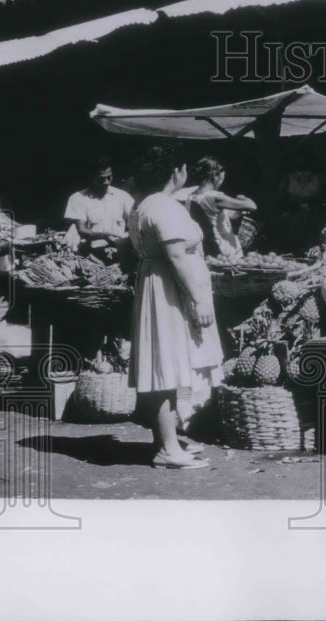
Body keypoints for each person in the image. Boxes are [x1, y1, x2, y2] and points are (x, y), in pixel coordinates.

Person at [127, 145, 223, 470]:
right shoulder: (163, 207)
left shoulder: (144, 205)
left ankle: (165, 442)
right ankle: (168, 449)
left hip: (157, 284)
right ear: (175, 173)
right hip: (167, 289)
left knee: (162, 365)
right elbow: (177, 256)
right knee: (164, 366)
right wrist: (199, 298)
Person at [64, 155, 134, 260]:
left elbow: (135, 222)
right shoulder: (78, 198)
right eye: (101, 179)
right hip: (90, 256)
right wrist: (106, 235)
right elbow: (82, 229)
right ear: (91, 178)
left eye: (109, 177)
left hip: (120, 253)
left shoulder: (122, 196)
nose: (106, 182)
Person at [187, 157, 258, 259]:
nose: (222, 181)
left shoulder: (192, 196)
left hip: (208, 247)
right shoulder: (215, 197)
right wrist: (241, 197)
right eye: (222, 178)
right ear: (215, 176)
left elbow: (221, 216)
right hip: (225, 249)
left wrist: (239, 212)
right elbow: (252, 206)